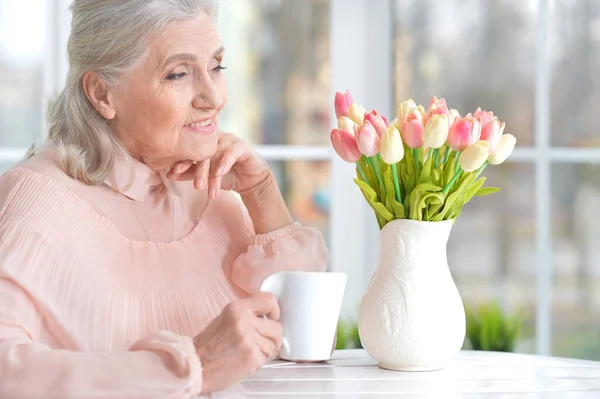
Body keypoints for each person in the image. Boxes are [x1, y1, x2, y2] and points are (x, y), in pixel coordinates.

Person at [0, 0, 329, 397]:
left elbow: (304, 353)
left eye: (216, 67)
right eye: (178, 74)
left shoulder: (214, 190)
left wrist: (262, 194)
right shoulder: (37, 201)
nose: (213, 97)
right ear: (103, 93)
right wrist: (194, 365)